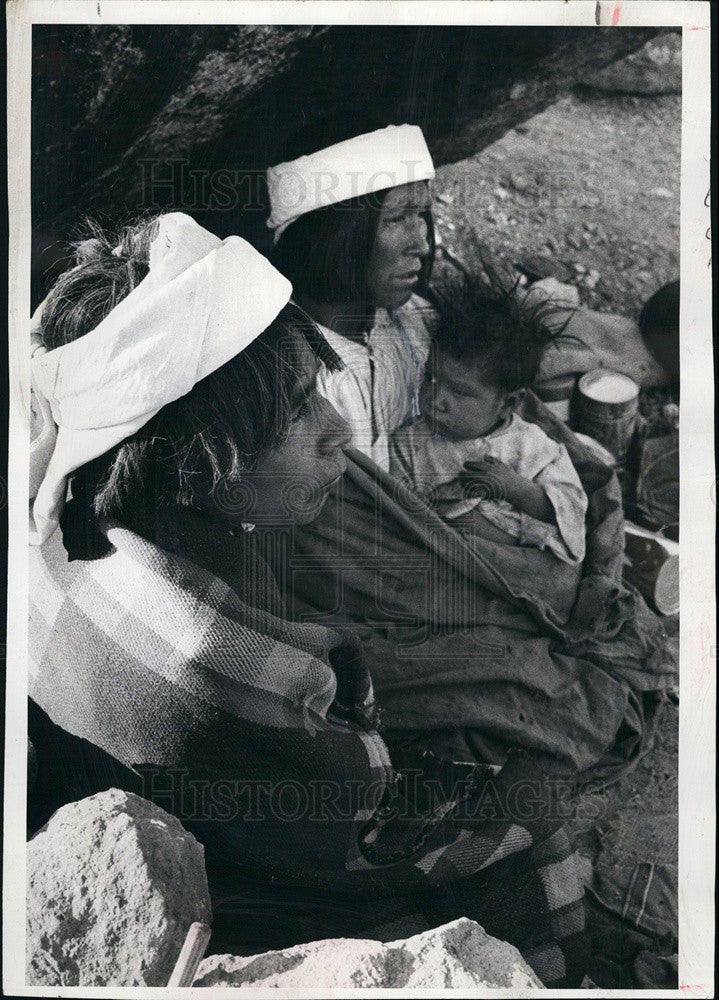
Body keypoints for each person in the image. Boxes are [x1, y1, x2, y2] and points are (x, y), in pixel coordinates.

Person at [28, 212, 587, 987]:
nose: (338, 434)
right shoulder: (222, 656)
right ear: (197, 452)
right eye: (296, 409)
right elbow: (355, 809)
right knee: (541, 820)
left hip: (161, 794)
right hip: (245, 885)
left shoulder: (87, 499)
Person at [267, 122, 438, 471]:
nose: (422, 243)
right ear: (333, 235)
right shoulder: (291, 372)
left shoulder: (410, 320)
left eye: (420, 215)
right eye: (395, 218)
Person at [389, 274, 588, 565]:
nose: (435, 399)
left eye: (459, 392)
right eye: (430, 378)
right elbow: (398, 508)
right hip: (453, 561)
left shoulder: (533, 446)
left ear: (508, 403)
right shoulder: (410, 443)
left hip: (522, 561)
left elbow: (571, 509)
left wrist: (517, 490)